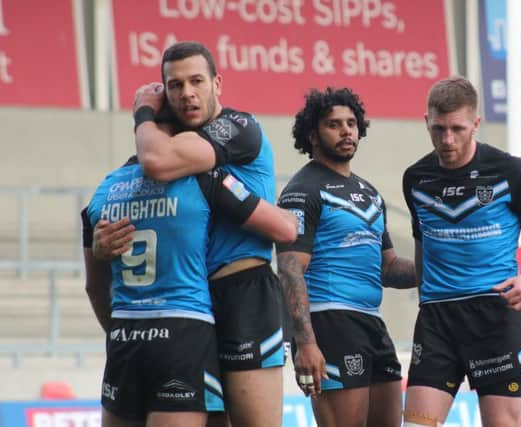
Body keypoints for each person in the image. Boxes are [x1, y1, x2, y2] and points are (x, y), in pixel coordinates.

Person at [95, 41, 288, 427]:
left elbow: (156, 162)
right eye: (175, 85)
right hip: (192, 303)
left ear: (217, 83)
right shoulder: (178, 139)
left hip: (242, 292)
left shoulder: (240, 127)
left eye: (197, 81)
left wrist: (144, 113)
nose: (187, 93)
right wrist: (104, 244)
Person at [401, 76, 521, 427]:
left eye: (458, 129)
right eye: (439, 128)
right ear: (426, 122)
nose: (447, 140)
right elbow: (422, 244)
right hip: (437, 320)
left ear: (476, 124)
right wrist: (424, 297)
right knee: (417, 424)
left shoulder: (511, 171)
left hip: (494, 315)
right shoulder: (415, 178)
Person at [83, 155, 297, 427]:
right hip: (184, 333)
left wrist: (117, 334)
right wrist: (288, 215)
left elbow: (93, 287)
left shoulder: (106, 188)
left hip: (125, 336)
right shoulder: (204, 177)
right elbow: (284, 228)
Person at [276, 87, 416, 427]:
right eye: (334, 124)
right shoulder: (302, 189)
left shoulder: (370, 193)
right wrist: (305, 343)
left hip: (372, 322)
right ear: (312, 134)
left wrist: (441, 265)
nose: (346, 131)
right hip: (330, 322)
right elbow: (290, 269)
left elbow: (389, 268)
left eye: (352, 123)